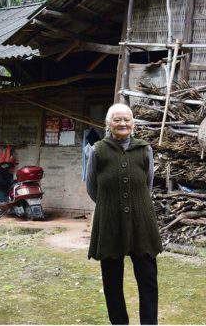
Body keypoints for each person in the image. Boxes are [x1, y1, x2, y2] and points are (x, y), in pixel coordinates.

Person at [83, 103, 161, 324]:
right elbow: (91, 187)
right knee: (112, 280)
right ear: (109, 124)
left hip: (141, 221)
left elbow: (148, 184)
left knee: (148, 278)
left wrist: (135, 204)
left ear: (133, 124)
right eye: (117, 120)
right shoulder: (98, 150)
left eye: (127, 119)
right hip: (109, 221)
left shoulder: (144, 149)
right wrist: (110, 205)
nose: (123, 123)